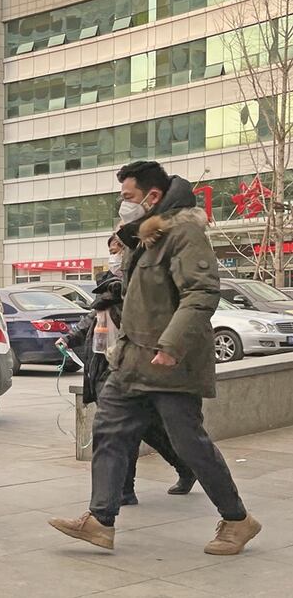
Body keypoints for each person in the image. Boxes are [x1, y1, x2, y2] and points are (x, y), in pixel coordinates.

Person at [49, 161, 261, 555]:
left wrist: (171, 344)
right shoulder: (145, 238)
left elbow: (201, 294)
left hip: (170, 364)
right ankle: (100, 520)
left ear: (153, 197)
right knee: (108, 429)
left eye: (127, 197)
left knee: (189, 443)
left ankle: (237, 519)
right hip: (131, 362)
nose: (121, 204)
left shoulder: (183, 234)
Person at [58, 235, 195, 506]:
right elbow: (92, 318)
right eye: (110, 251)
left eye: (118, 251)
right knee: (139, 430)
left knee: (132, 430)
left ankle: (127, 490)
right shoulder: (107, 287)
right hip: (106, 366)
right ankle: (179, 471)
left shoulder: (135, 285)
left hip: (133, 366)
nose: (114, 257)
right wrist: (70, 336)